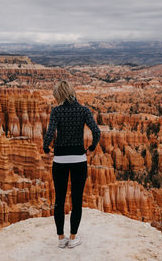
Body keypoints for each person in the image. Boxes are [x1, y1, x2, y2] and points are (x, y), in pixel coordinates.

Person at [43, 81, 101, 248]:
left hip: (60, 160)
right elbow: (96, 132)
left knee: (59, 200)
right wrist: (91, 148)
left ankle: (61, 239)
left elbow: (49, 133)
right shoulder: (83, 110)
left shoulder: (56, 111)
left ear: (59, 95)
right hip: (79, 160)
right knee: (76, 200)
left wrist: (46, 149)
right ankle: (73, 238)